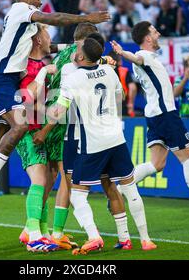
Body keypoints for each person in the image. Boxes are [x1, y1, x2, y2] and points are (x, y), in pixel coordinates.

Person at [0, 0, 110, 209]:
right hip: (2, 79)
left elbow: (48, 46)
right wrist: (86, 17)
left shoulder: (22, 23)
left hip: (4, 78)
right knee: (19, 127)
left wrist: (76, 44)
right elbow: (55, 18)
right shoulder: (21, 9)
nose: (40, 1)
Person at [111, 21, 189, 222]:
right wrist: (123, 52)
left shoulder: (147, 59)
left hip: (154, 115)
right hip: (166, 115)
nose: (158, 33)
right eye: (154, 31)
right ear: (147, 38)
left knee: (156, 164)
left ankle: (120, 187)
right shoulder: (145, 56)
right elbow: (138, 57)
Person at [50, 38, 157, 254]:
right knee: (128, 187)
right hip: (116, 139)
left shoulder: (73, 77)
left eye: (77, 49)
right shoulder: (110, 71)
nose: (74, 52)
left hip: (94, 143)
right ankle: (143, 239)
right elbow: (122, 95)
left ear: (80, 57)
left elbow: (58, 112)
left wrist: (37, 117)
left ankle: (94, 236)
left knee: (78, 195)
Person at [14, 24, 60, 252]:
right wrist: (43, 73)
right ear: (38, 40)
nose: (50, 36)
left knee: (46, 182)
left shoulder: (40, 64)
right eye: (46, 32)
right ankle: (33, 236)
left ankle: (42, 231)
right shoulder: (25, 66)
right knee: (39, 181)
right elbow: (27, 98)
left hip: (38, 129)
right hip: (26, 130)